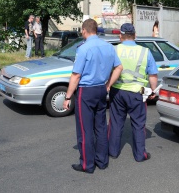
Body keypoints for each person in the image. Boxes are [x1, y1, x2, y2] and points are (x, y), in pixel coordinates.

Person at [63, 19, 123, 174]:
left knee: (85, 129)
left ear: (84, 30)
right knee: (101, 126)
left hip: (86, 91)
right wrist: (108, 84)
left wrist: (68, 97)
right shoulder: (109, 47)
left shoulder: (83, 49)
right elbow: (119, 67)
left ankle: (87, 165)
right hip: (101, 90)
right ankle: (102, 161)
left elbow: (76, 75)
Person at [107, 23, 158, 162]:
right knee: (138, 124)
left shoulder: (114, 50)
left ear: (120, 36)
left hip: (117, 91)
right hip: (138, 92)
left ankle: (113, 151)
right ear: (135, 36)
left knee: (116, 122)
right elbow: (152, 74)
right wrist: (153, 90)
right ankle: (140, 155)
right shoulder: (145, 52)